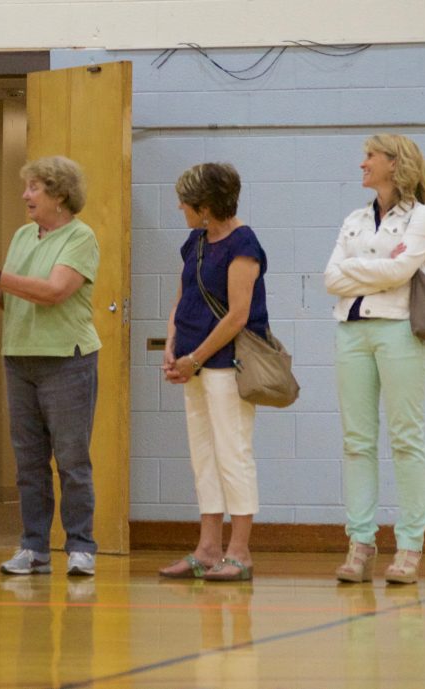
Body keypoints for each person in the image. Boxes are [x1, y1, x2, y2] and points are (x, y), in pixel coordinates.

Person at [0, 155, 100, 577]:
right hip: (20, 358)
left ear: (60, 194)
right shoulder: (21, 235)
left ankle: (81, 546)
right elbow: (8, 298)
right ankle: (33, 547)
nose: (25, 195)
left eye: (34, 188)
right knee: (28, 462)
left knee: (71, 460)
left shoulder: (80, 237)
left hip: (67, 360)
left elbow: (54, 292)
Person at [324, 134, 425, 585]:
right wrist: (372, 273)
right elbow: (330, 278)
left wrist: (356, 272)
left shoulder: (421, 216)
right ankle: (361, 543)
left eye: (370, 156)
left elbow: (401, 271)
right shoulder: (353, 218)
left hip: (400, 331)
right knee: (356, 441)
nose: (362, 164)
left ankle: (409, 546)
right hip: (351, 332)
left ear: (394, 163)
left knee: (406, 437)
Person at [157, 163, 268, 582]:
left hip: (227, 365)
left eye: (185, 202)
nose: (179, 207)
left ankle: (239, 551)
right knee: (203, 456)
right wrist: (172, 346)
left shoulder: (244, 243)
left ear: (206, 207)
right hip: (193, 365)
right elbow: (181, 299)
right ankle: (207, 548)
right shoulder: (195, 242)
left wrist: (196, 357)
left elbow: (237, 315)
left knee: (233, 453)